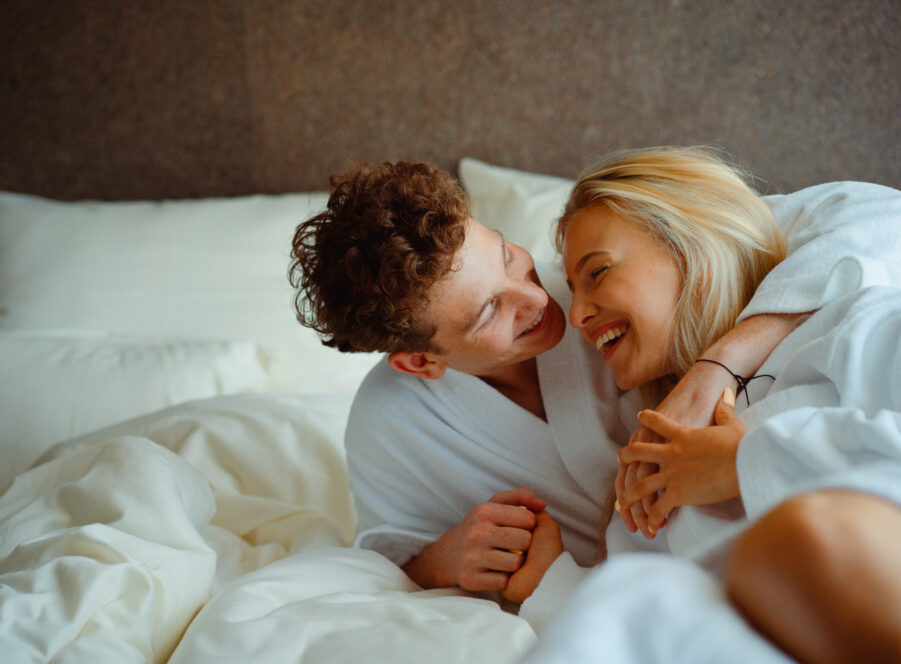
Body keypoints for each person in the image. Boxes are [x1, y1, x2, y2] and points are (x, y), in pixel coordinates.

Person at [287, 159, 889, 618]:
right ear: (421, 362)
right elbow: (389, 564)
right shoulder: (391, 425)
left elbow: (853, 220)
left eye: (506, 255)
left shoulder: (611, 266)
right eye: (489, 312)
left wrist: (716, 366)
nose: (544, 299)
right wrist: (446, 560)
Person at [524, 146, 901, 663]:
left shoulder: (851, 322)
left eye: (597, 273)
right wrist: (547, 581)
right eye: (573, 289)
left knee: (802, 541)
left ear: (685, 244)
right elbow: (629, 617)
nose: (578, 315)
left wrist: (747, 463)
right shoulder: (647, 466)